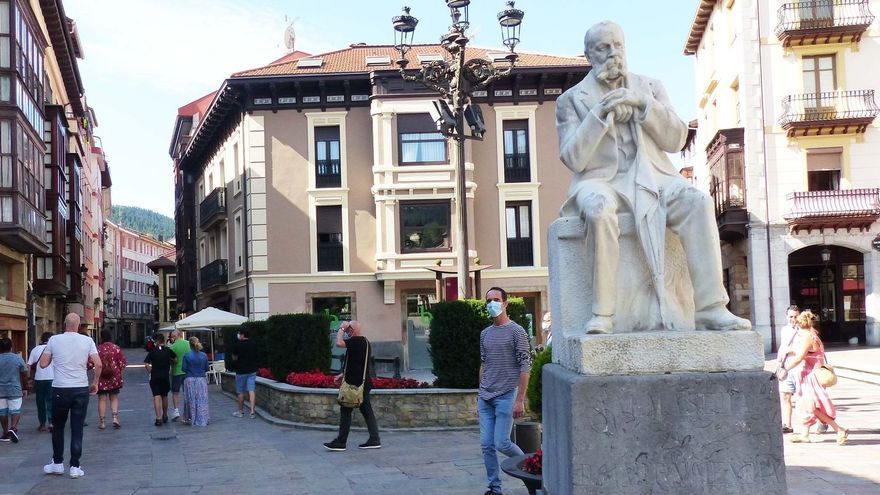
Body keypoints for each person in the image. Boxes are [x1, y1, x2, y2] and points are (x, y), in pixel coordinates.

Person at [555, 21, 750, 334]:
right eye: (603, 48)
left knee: (698, 202)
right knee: (598, 209)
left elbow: (676, 140)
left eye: (618, 45)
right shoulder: (570, 100)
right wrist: (599, 115)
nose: (613, 54)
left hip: (654, 176)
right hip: (599, 180)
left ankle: (711, 309)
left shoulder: (650, 88)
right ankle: (603, 313)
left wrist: (643, 106)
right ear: (589, 55)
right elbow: (573, 158)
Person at [479, 287, 532, 495]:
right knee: (486, 445)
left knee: (501, 443)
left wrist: (520, 399)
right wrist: (480, 389)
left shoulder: (517, 331)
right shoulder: (485, 334)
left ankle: (532, 469)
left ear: (505, 303)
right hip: (485, 397)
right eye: (488, 301)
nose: (492, 304)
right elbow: (484, 363)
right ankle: (495, 488)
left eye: (496, 299)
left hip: (506, 395)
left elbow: (525, 366)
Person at [39, 313, 102, 478]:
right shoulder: (87, 341)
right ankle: (75, 466)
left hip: (60, 389)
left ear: (64, 324)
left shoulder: (54, 340)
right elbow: (98, 364)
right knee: (77, 428)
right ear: (79, 325)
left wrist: (53, 355)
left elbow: (43, 364)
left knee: (58, 427)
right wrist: (95, 382)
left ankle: (57, 463)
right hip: (80, 388)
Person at [778, 310, 850, 445]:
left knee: (812, 406)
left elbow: (799, 357)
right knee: (806, 405)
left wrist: (785, 369)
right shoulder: (811, 335)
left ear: (800, 324)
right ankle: (804, 434)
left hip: (811, 376)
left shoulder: (807, 336)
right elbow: (804, 351)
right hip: (808, 375)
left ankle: (839, 429)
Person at [323, 320, 380, 451]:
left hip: (355, 385)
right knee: (366, 411)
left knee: (346, 410)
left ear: (352, 331)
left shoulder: (356, 341)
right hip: (363, 384)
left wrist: (341, 328)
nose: (347, 333)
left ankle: (341, 442)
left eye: (348, 330)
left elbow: (339, 343)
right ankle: (374, 439)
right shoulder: (364, 342)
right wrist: (342, 374)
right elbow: (355, 363)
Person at [776, 305, 800, 434]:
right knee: (785, 395)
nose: (793, 319)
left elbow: (805, 348)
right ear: (786, 317)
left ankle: (822, 420)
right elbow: (783, 346)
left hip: (800, 366)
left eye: (796, 316)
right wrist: (779, 360)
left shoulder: (804, 330)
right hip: (786, 366)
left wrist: (789, 350)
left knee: (806, 398)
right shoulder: (784, 330)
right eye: (791, 316)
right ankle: (787, 425)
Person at [96, 330, 127, 430]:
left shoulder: (98, 349)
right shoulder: (116, 348)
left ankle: (102, 422)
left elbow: (92, 363)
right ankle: (115, 418)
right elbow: (122, 363)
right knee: (114, 398)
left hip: (102, 377)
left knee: (102, 399)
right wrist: (119, 374)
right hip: (114, 377)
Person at [0, 337, 28, 443]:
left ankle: (5, 433)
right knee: (15, 410)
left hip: (1, 390)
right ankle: (13, 428)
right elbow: (24, 373)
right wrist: (25, 387)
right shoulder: (17, 358)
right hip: (15, 388)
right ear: (11, 347)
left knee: (2, 412)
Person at [144, 333, 175, 426]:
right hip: (165, 376)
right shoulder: (168, 350)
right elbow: (175, 359)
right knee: (164, 396)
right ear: (163, 341)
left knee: (156, 396)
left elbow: (146, 363)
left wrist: (150, 370)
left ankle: (158, 418)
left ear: (157, 341)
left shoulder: (152, 351)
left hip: (155, 376)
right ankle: (165, 415)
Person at [27, 332, 55, 432]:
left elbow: (29, 365)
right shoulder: (54, 349)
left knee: (40, 402)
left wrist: (29, 378)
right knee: (51, 401)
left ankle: (42, 424)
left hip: (39, 379)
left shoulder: (35, 349)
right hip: (52, 378)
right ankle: (51, 422)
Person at [181, 336, 210, 427]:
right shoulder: (204, 355)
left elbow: (183, 368)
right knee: (202, 400)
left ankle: (191, 417)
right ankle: (202, 418)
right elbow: (207, 368)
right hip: (201, 379)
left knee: (190, 400)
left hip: (190, 379)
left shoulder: (186, 355)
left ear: (189, 345)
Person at [231, 328, 258, 418]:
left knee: (240, 391)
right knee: (251, 390)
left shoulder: (237, 344)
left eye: (240, 334)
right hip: (252, 370)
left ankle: (241, 411)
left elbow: (234, 357)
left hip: (241, 371)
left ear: (242, 335)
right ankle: (252, 412)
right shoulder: (254, 344)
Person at [168, 329, 190, 422]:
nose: (172, 338)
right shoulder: (188, 344)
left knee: (175, 392)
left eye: (172, 336)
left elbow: (170, 359)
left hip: (176, 372)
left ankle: (176, 410)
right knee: (187, 392)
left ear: (175, 336)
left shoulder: (172, 347)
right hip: (187, 371)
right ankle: (188, 411)